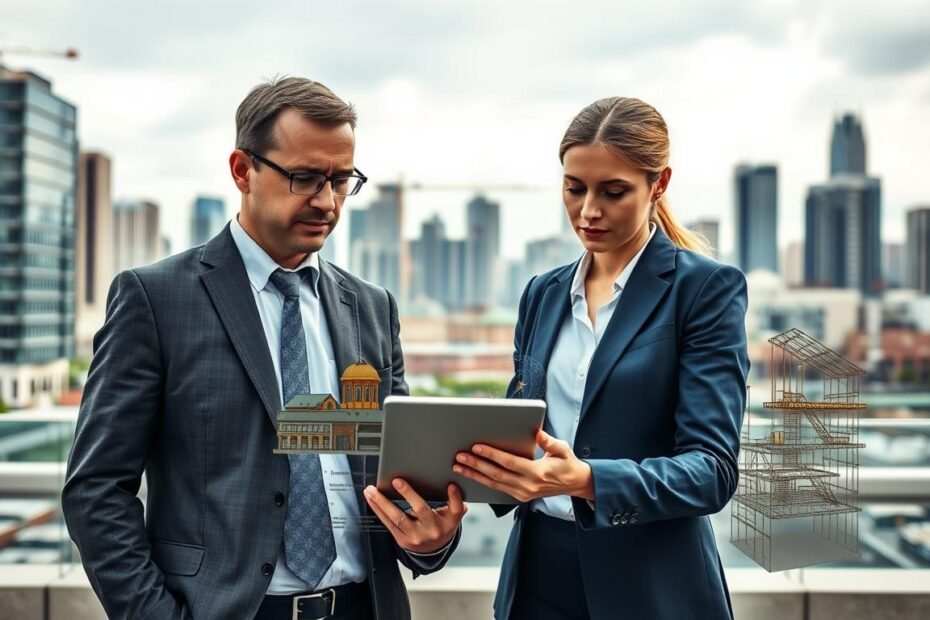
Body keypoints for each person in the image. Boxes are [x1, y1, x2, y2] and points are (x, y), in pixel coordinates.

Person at [62, 77, 465, 620]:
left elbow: (398, 478)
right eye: (304, 178)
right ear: (242, 170)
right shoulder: (156, 299)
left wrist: (428, 539)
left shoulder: (372, 307)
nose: (327, 201)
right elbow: (96, 489)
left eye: (341, 180)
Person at [453, 97, 749, 619]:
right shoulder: (541, 294)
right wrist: (448, 478)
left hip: (651, 585)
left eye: (613, 192)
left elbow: (712, 470)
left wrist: (586, 479)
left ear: (659, 184)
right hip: (537, 577)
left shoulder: (704, 291)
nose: (589, 210)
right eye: (574, 188)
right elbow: (520, 430)